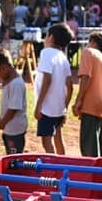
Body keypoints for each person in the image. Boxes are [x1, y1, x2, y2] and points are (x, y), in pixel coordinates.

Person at [33, 23, 73, 155]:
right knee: (58, 137)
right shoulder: (63, 57)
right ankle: (63, 164)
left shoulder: (46, 53)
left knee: (46, 141)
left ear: (51, 37)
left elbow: (47, 79)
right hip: (58, 108)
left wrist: (38, 106)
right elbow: (70, 86)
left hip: (47, 108)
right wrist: (65, 107)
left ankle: (53, 167)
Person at [72, 30, 102, 157]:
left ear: (92, 42)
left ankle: (92, 175)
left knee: (89, 148)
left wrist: (78, 100)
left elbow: (86, 77)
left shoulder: (88, 52)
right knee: (101, 146)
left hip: (90, 104)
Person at [0, 48, 28, 154]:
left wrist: (2, 122)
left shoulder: (16, 84)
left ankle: (16, 171)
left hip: (14, 128)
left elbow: (13, 108)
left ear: (4, 68)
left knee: (14, 155)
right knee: (10, 152)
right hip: (10, 128)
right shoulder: (9, 81)